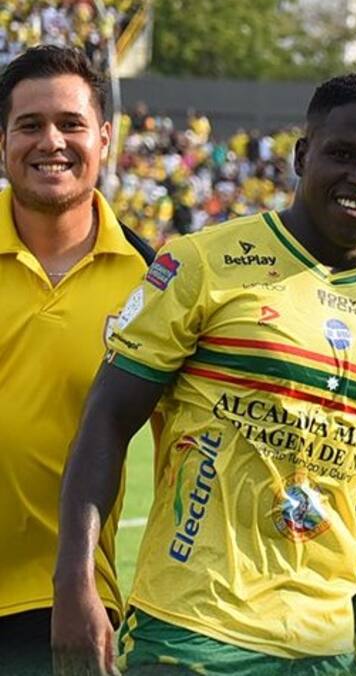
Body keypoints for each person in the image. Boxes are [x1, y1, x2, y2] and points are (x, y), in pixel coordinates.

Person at [52, 74, 356, 675]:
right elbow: (107, 421)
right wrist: (74, 581)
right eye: (343, 153)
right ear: (301, 155)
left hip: (323, 648)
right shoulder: (202, 263)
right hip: (192, 632)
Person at [0, 46, 153, 675]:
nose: (51, 142)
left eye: (70, 124)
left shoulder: (155, 285)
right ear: (2, 139)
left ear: (106, 138)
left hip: (61, 605)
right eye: (30, 125)